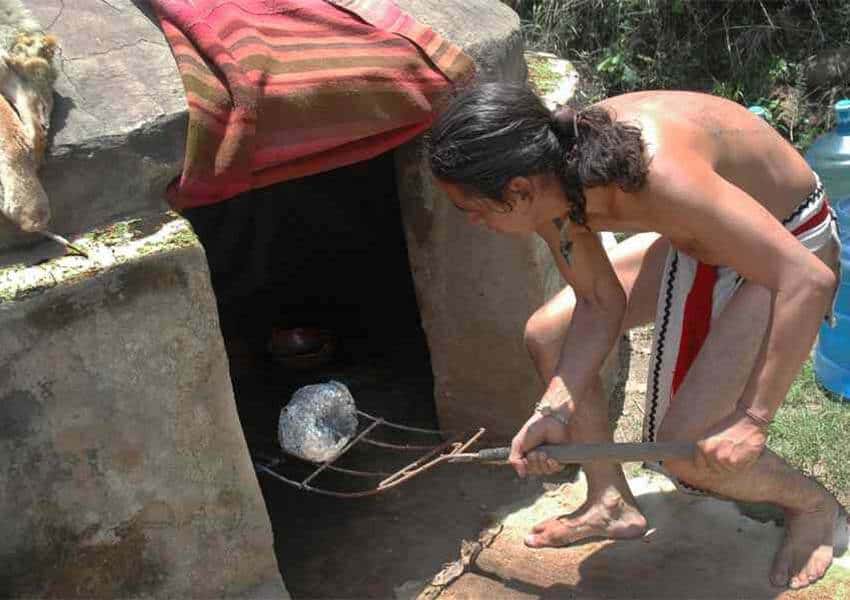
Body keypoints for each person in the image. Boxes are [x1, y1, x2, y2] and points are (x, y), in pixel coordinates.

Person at [427, 82, 848, 590]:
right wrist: (552, 410)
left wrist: (752, 420)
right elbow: (600, 301)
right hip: (701, 237)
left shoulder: (656, 173)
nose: (473, 222)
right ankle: (609, 502)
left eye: (473, 208)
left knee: (688, 449)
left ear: (517, 190)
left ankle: (814, 504)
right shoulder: (550, 179)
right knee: (548, 335)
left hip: (788, 245)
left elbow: (808, 278)